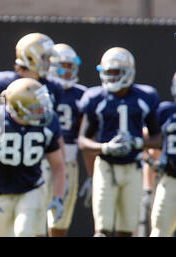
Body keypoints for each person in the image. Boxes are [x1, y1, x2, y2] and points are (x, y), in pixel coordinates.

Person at [78, 47, 162, 237]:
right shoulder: (95, 98)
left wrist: (137, 143)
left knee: (126, 230)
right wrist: (105, 147)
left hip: (133, 167)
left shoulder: (145, 97)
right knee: (102, 230)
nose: (112, 77)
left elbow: (157, 138)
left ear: (129, 72)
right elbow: (83, 141)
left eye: (116, 72)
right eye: (108, 72)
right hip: (106, 167)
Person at [0, 78, 66, 237]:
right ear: (18, 107)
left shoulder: (47, 123)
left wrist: (59, 197)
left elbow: (58, 165)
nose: (42, 112)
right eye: (36, 108)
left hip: (32, 188)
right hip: (0, 189)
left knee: (23, 233)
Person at [45, 43, 91, 237]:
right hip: (39, 160)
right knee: (33, 216)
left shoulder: (82, 94)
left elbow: (86, 134)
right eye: (64, 66)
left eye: (71, 66)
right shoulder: (40, 88)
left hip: (68, 160)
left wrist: (91, 173)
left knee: (60, 220)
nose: (68, 71)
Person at [143, 72, 176, 237]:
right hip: (170, 180)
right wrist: (150, 160)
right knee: (160, 231)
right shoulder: (166, 111)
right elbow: (142, 137)